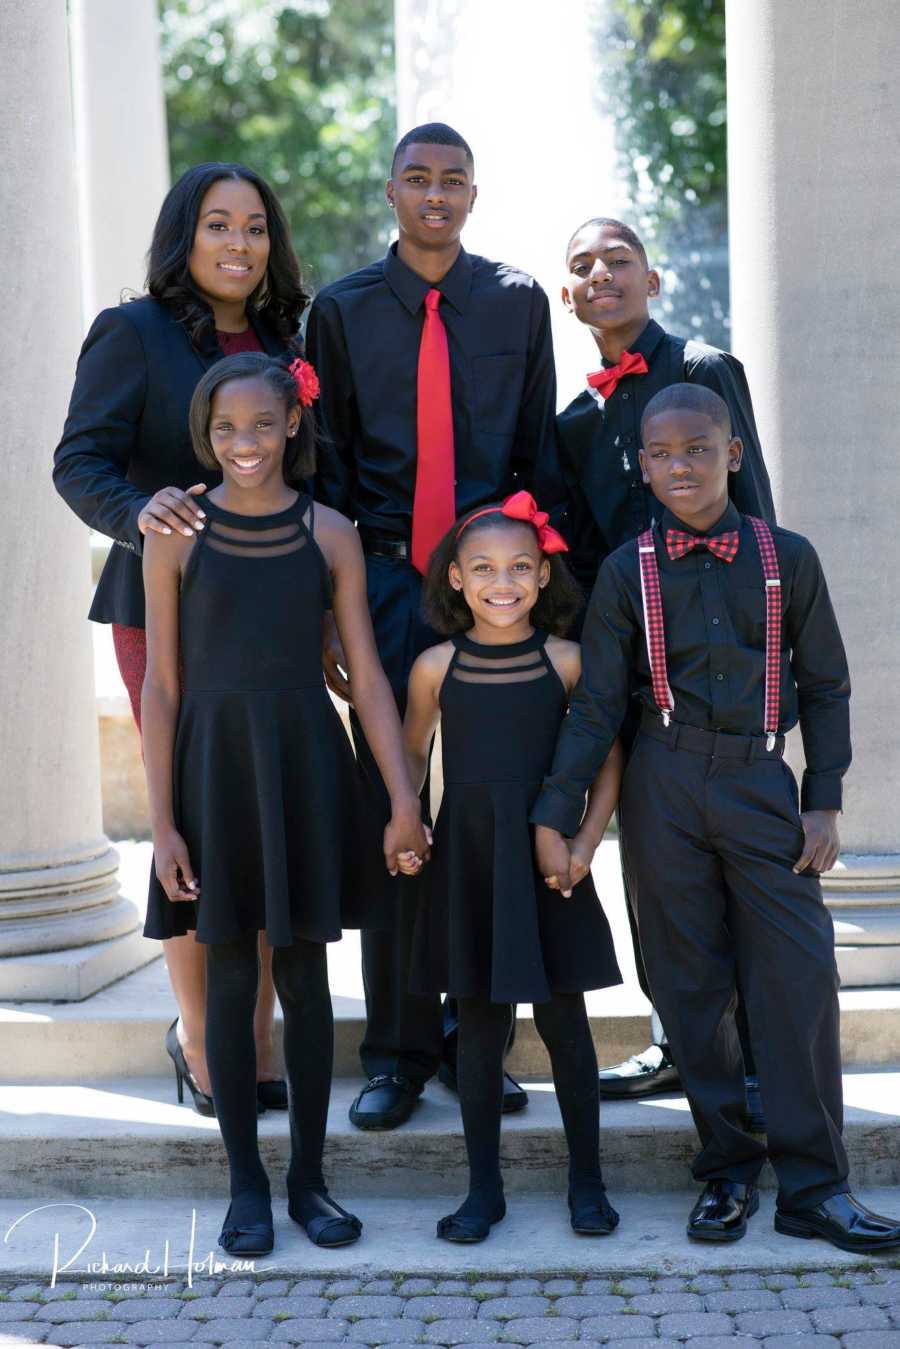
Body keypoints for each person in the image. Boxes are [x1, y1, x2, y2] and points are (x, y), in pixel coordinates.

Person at [532, 384, 900, 1254]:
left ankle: (815, 1185)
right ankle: (728, 1170)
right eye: (662, 454)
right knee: (690, 984)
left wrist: (826, 796)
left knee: (799, 978)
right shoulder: (627, 571)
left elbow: (827, 684)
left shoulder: (788, 557)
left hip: (761, 778)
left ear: (732, 453)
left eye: (698, 448)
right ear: (644, 466)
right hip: (663, 780)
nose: (681, 466)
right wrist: (560, 811)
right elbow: (596, 707)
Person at [141, 351, 429, 1256]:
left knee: (305, 979)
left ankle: (309, 1179)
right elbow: (161, 685)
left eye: (262, 425)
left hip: (305, 763)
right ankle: (246, 1187)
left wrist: (402, 797)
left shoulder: (329, 531)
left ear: (294, 423)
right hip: (214, 772)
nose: (245, 444)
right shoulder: (176, 531)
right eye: (225, 429)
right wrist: (161, 822)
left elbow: (370, 679)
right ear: (205, 433)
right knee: (230, 981)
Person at [307, 122, 564, 1130]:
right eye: (417, 178)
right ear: (390, 191)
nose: (435, 194)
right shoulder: (341, 310)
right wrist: (333, 605)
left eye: (453, 179)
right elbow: (321, 473)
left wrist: (541, 606)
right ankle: (396, 1050)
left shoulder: (516, 300)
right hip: (381, 586)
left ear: (474, 192)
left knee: (486, 819)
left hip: (494, 590)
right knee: (396, 815)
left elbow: (538, 452)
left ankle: (478, 1042)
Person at [53, 163, 309, 1114]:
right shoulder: (133, 333)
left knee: (269, 812)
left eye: (253, 227)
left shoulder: (289, 338)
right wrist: (139, 509)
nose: (237, 244)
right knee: (192, 819)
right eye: (217, 225)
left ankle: (259, 1029)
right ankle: (201, 1037)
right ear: (184, 235)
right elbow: (77, 460)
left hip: (278, 608)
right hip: (165, 605)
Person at [556, 216, 774, 1110]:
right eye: (583, 266)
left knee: (740, 872)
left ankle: (754, 1058)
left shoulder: (704, 368)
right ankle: (677, 1040)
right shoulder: (575, 417)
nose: (601, 273)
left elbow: (755, 517)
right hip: (632, 666)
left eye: (618, 259)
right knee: (654, 869)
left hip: (719, 668)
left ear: (654, 278)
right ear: (567, 294)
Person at [400, 493, 622, 1242]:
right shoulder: (435, 666)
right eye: (485, 568)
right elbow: (409, 754)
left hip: (548, 856)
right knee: (480, 1026)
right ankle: (483, 1189)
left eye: (521, 567)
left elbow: (606, 758)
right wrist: (408, 828)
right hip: (469, 860)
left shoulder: (566, 660)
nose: (505, 581)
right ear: (456, 578)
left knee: (566, 1022)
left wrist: (586, 843)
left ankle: (586, 1182)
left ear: (543, 574)